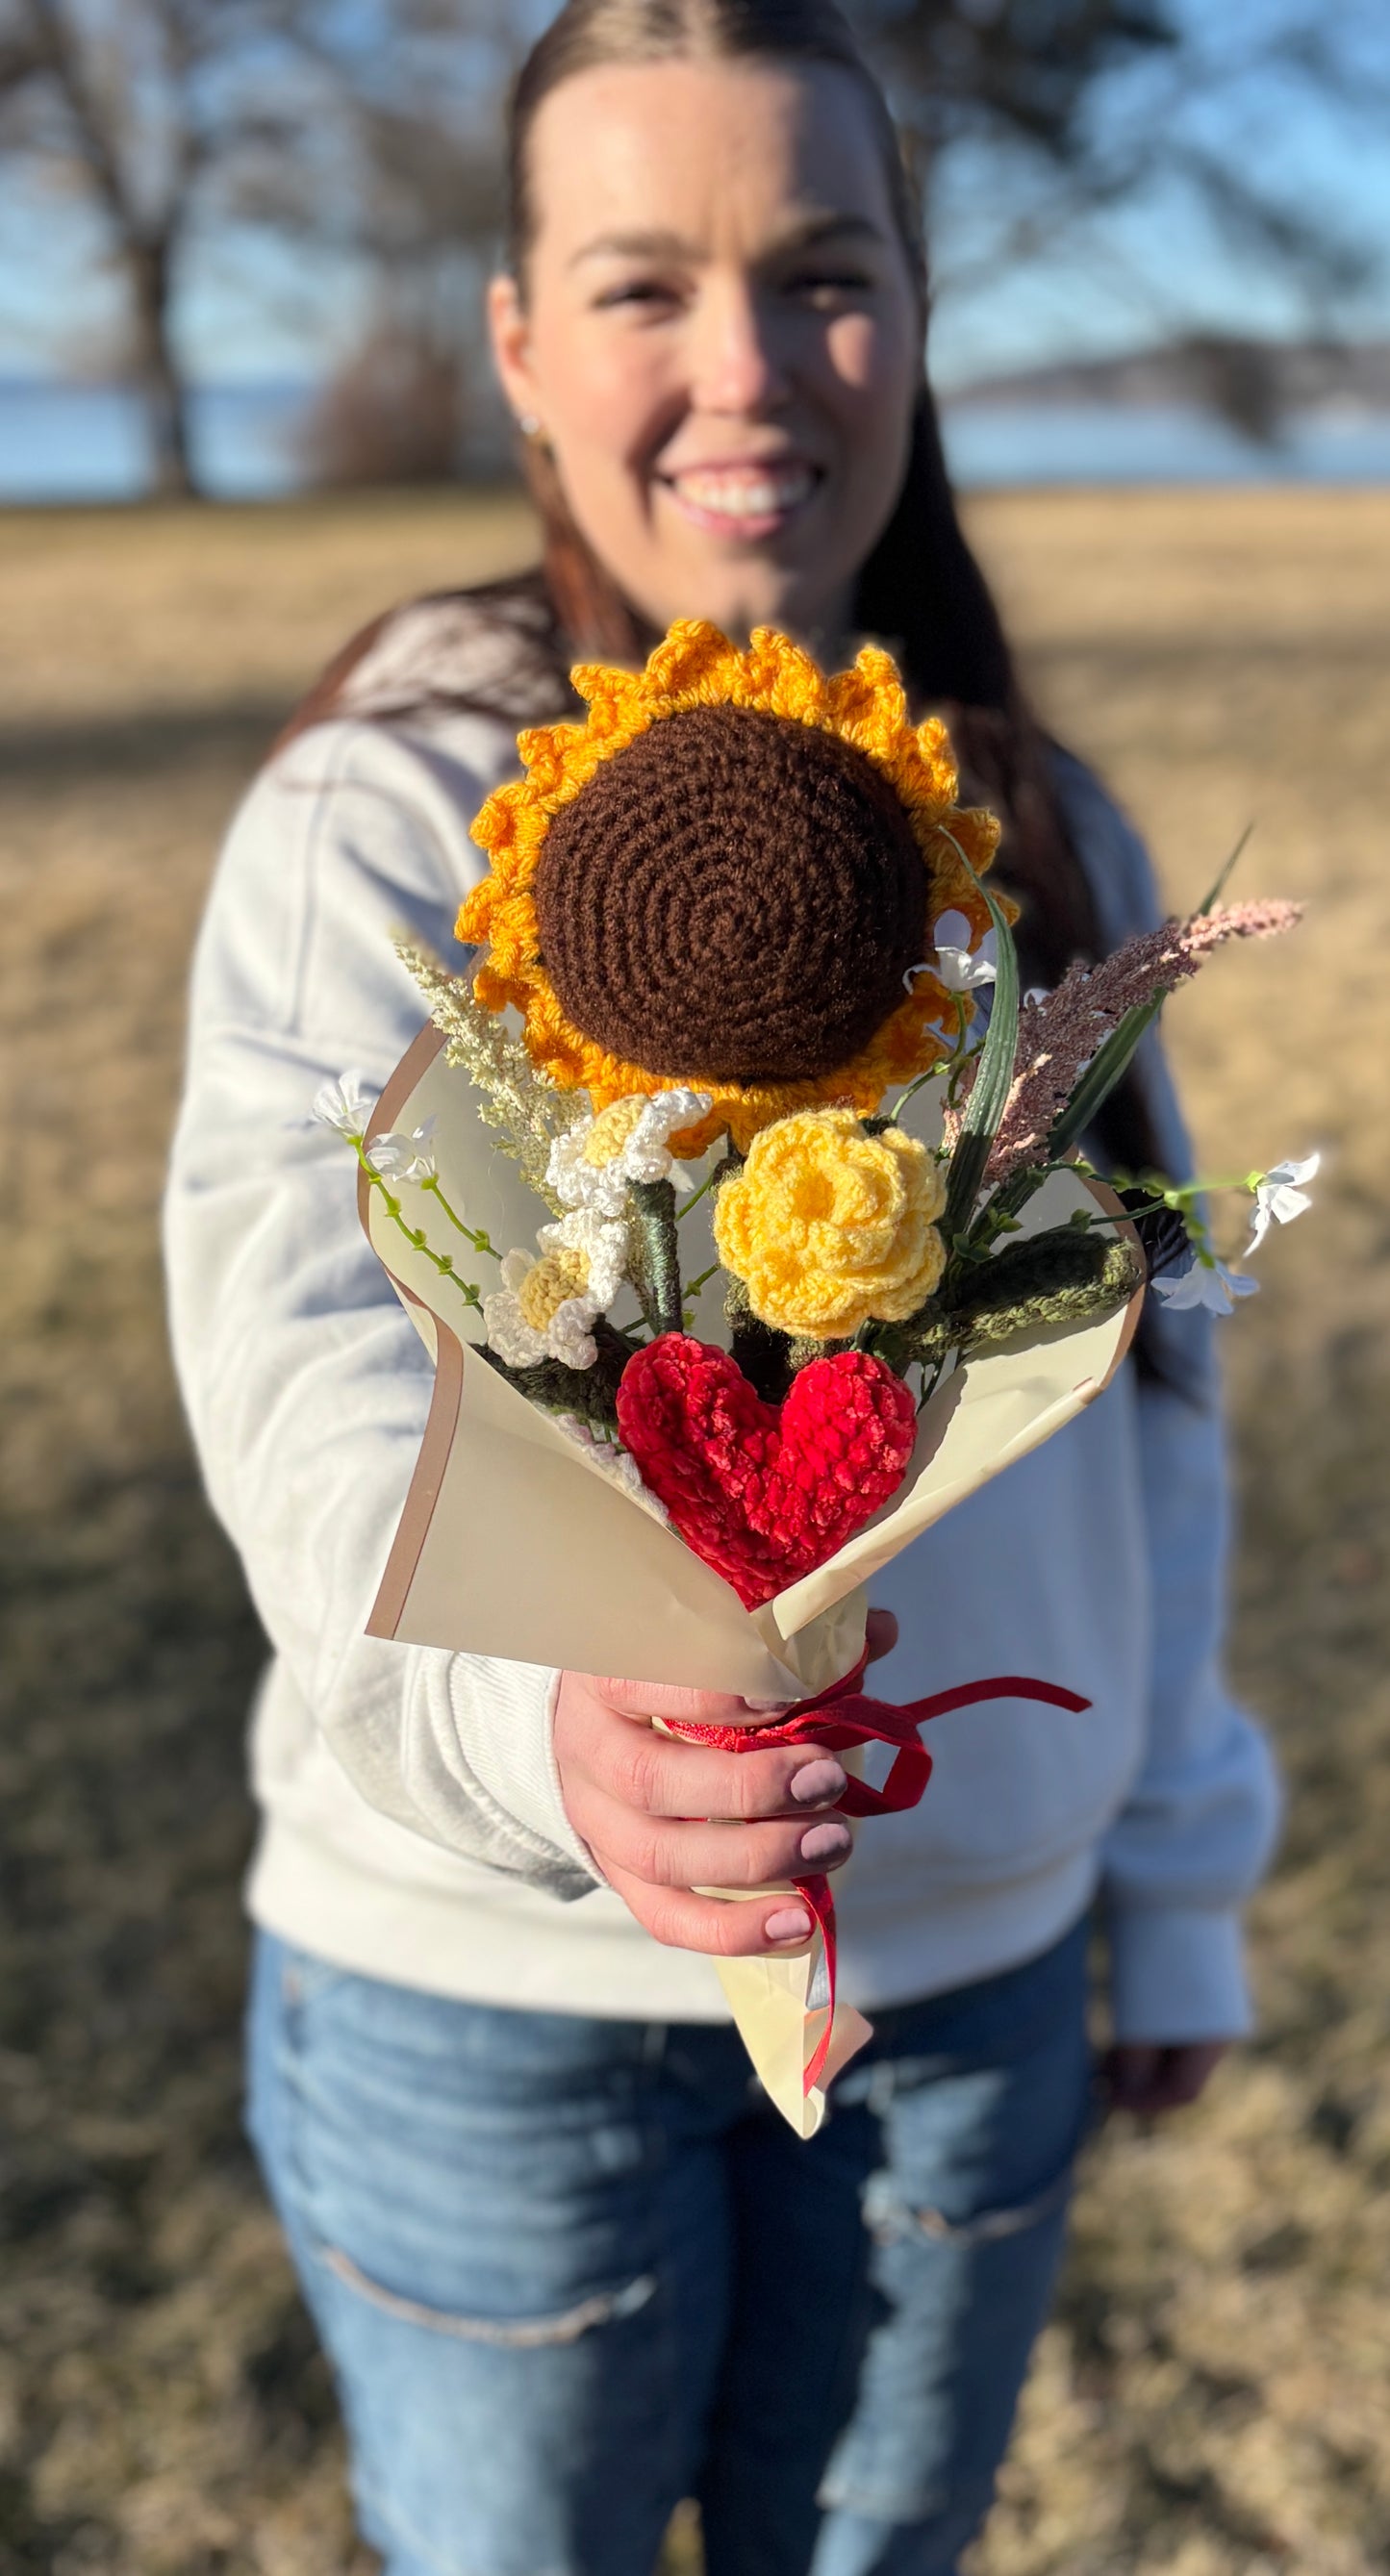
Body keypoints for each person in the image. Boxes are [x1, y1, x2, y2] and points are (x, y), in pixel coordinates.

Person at [164, 6, 1279, 2572]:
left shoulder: (1047, 830)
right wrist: (532, 1728)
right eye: (644, 281)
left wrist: (1177, 1873)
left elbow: (1153, 1400)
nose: (747, 368)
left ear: (917, 312)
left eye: (826, 274)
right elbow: (310, 1379)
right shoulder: (401, 807)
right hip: (489, 2017)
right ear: (518, 344)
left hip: (971, 1995)